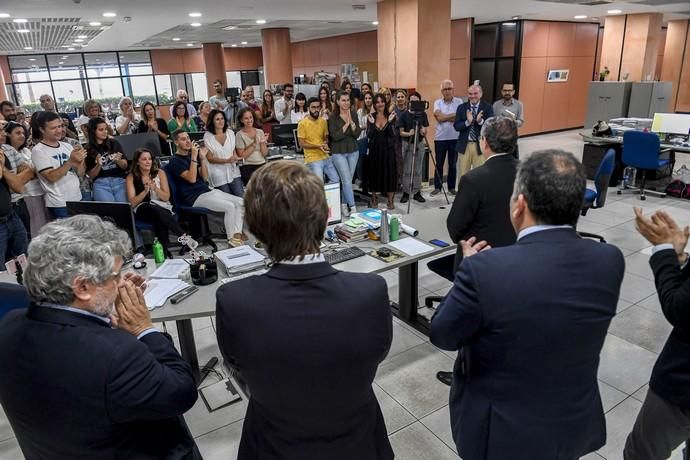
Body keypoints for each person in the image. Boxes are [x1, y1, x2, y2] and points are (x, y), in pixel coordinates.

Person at [430, 149, 625, 460]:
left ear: (519, 205)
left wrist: (468, 268)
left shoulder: (486, 269)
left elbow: (442, 334)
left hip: (502, 435)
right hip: (571, 423)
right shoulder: (610, 260)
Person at [215, 160, 394, 460]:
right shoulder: (371, 292)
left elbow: (238, 367)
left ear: (256, 229)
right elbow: (377, 354)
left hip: (273, 446)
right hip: (358, 444)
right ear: (326, 217)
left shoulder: (234, 301)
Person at [0, 215, 201, 459]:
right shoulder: (117, 354)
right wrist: (144, 329)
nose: (120, 283)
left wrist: (101, 308)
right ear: (82, 287)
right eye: (115, 276)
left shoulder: (10, 325)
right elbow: (181, 391)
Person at [623, 208, 690, 460]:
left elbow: (680, 309)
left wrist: (664, 252)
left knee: (642, 453)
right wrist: (680, 258)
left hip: (682, 386)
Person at [167, 130, 245, 246]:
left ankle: (236, 238)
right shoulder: (174, 161)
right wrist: (194, 156)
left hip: (207, 190)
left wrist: (202, 159)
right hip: (193, 197)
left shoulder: (191, 156)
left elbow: (205, 177)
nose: (188, 141)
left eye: (188, 138)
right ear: (176, 142)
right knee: (229, 207)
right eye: (183, 139)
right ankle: (231, 241)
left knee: (241, 202)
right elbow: (192, 179)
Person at [127, 148, 185, 257]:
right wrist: (145, 192)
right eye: (144, 159)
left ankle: (163, 251)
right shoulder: (131, 177)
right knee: (152, 208)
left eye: (150, 159)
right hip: (142, 208)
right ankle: (183, 236)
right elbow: (132, 202)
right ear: (137, 162)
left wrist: (156, 189)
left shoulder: (160, 173)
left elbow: (166, 197)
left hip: (162, 206)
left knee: (159, 218)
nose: (148, 161)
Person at [32, 111, 85, 219]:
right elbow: (51, 177)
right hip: (59, 203)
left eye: (60, 126)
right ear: (42, 129)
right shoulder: (38, 151)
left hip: (77, 197)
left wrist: (80, 162)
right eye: (53, 128)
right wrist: (70, 161)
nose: (59, 130)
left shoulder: (67, 146)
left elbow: (80, 173)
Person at [2, 121, 50, 237]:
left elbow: (31, 172)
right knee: (35, 228)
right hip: (22, 197)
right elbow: (14, 185)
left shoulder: (18, 150)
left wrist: (14, 178)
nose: (22, 136)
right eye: (17, 133)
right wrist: (17, 178)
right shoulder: (7, 149)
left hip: (23, 199)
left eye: (23, 133)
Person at [328, 90, 361, 216]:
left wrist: (352, 124)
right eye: (343, 100)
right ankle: (353, 209)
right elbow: (335, 136)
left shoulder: (354, 114)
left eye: (348, 100)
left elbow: (357, 134)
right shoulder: (333, 117)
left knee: (347, 180)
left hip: (353, 150)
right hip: (338, 152)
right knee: (347, 181)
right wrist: (346, 124)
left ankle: (343, 204)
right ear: (337, 102)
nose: (346, 103)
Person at [365, 93, 398, 210]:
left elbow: (393, 134)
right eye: (378, 102)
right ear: (375, 104)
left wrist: (389, 122)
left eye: (382, 101)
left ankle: (390, 200)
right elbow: (369, 134)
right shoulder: (371, 116)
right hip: (375, 150)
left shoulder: (392, 115)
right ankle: (374, 198)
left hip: (388, 150)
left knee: (390, 174)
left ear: (385, 102)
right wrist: (372, 123)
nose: (380, 104)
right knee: (374, 174)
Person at [84, 117, 129, 203]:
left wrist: (118, 161)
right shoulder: (88, 149)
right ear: (93, 131)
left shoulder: (114, 143)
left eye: (106, 129)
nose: (105, 132)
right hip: (100, 184)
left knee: (124, 210)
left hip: (119, 181)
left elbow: (125, 166)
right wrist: (98, 165)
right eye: (101, 130)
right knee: (108, 212)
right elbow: (91, 176)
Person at [0, 130, 29, 260]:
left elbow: (19, 187)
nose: (3, 134)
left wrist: (4, 168)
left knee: (23, 258)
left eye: (2, 130)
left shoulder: (3, 153)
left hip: (11, 216)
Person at [455, 84, 494, 178]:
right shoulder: (461, 107)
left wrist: (480, 121)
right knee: (463, 175)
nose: (472, 96)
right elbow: (456, 126)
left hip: (480, 146)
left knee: (481, 175)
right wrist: (467, 122)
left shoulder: (488, 107)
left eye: (475, 93)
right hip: (464, 146)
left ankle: (479, 193)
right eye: (470, 94)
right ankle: (464, 193)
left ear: (481, 94)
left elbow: (491, 127)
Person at [297, 97, 339, 184]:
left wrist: (325, 143)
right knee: (319, 183)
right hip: (312, 159)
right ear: (308, 108)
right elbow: (302, 144)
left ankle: (325, 197)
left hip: (325, 156)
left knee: (336, 180)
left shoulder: (323, 121)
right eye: (313, 107)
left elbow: (325, 137)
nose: (316, 110)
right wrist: (318, 146)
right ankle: (319, 196)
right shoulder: (302, 124)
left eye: (318, 107)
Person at [432, 79, 463, 195]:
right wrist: (453, 117)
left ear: (453, 90)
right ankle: (437, 187)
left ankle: (451, 187)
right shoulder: (437, 103)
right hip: (440, 138)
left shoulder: (459, 101)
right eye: (445, 89)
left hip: (455, 138)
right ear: (441, 91)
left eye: (449, 88)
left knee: (453, 164)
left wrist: (444, 117)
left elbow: (460, 117)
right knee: (439, 164)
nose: (447, 91)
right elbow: (439, 118)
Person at [203, 109, 243, 197]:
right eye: (217, 119)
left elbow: (234, 153)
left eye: (222, 118)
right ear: (212, 121)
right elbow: (210, 158)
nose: (221, 121)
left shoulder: (231, 133)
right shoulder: (207, 136)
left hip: (233, 170)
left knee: (241, 197)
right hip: (217, 173)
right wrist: (227, 160)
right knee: (228, 199)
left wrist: (237, 158)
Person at [397, 91, 428, 204]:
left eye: (416, 101)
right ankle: (406, 192)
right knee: (407, 169)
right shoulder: (404, 115)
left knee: (418, 170)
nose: (414, 103)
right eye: (412, 101)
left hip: (419, 143)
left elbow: (425, 129)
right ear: (409, 102)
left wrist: (423, 131)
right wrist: (409, 133)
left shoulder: (422, 114)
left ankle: (417, 192)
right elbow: (401, 133)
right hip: (407, 143)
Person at [235, 107, 268, 186]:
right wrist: (254, 144)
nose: (249, 120)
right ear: (241, 120)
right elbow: (242, 156)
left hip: (262, 164)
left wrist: (262, 143)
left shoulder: (260, 132)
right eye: (246, 118)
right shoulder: (239, 135)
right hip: (248, 167)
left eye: (251, 117)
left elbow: (264, 154)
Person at [493, 83, 524, 158]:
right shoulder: (496, 105)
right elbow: (492, 121)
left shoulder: (519, 104)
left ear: (513, 92)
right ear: (501, 91)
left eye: (509, 90)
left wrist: (513, 121)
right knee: (498, 161)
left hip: (512, 138)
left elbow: (521, 122)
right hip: (498, 138)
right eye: (505, 90)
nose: (507, 92)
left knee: (512, 161)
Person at [356, 91, 374, 184]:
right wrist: (367, 126)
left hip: (373, 139)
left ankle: (371, 180)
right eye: (366, 98)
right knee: (361, 160)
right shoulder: (360, 111)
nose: (368, 100)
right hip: (362, 138)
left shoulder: (375, 111)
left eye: (370, 98)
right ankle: (361, 180)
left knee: (371, 160)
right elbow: (357, 126)